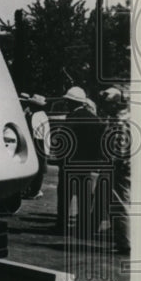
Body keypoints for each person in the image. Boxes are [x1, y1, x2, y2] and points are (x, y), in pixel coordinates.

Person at [56, 86, 102, 232]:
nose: (66, 104)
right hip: (86, 165)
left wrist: (61, 158)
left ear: (72, 102)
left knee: (65, 196)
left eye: (68, 101)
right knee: (84, 196)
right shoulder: (95, 120)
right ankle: (83, 225)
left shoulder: (71, 118)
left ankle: (62, 226)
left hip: (70, 164)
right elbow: (98, 144)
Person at [99, 86, 131, 253]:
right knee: (124, 202)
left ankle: (125, 243)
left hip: (119, 167)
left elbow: (117, 149)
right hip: (125, 166)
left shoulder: (119, 121)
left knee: (120, 204)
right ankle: (125, 239)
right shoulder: (128, 118)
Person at [19, 93, 51, 199]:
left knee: (37, 168)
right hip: (40, 142)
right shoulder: (42, 115)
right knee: (39, 168)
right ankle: (33, 189)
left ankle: (34, 190)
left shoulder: (36, 115)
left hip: (37, 142)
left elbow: (34, 132)